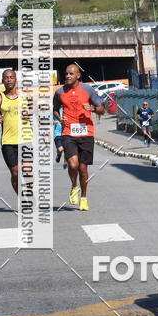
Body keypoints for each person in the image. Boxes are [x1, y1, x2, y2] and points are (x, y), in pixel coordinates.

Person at [53, 64, 105, 211]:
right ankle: (74, 186)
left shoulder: (88, 90)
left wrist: (93, 108)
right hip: (68, 132)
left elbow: (102, 109)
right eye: (66, 74)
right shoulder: (59, 92)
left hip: (86, 132)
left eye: (71, 73)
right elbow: (55, 109)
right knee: (73, 164)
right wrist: (59, 118)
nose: (68, 76)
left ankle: (84, 197)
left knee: (83, 168)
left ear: (78, 76)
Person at [0, 69, 32, 194]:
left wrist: (31, 114)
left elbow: (37, 112)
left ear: (15, 79)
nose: (9, 80)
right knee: (15, 172)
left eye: (11, 77)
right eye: (6, 78)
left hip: (26, 139)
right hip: (8, 142)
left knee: (28, 171)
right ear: (2, 81)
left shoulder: (25, 97)